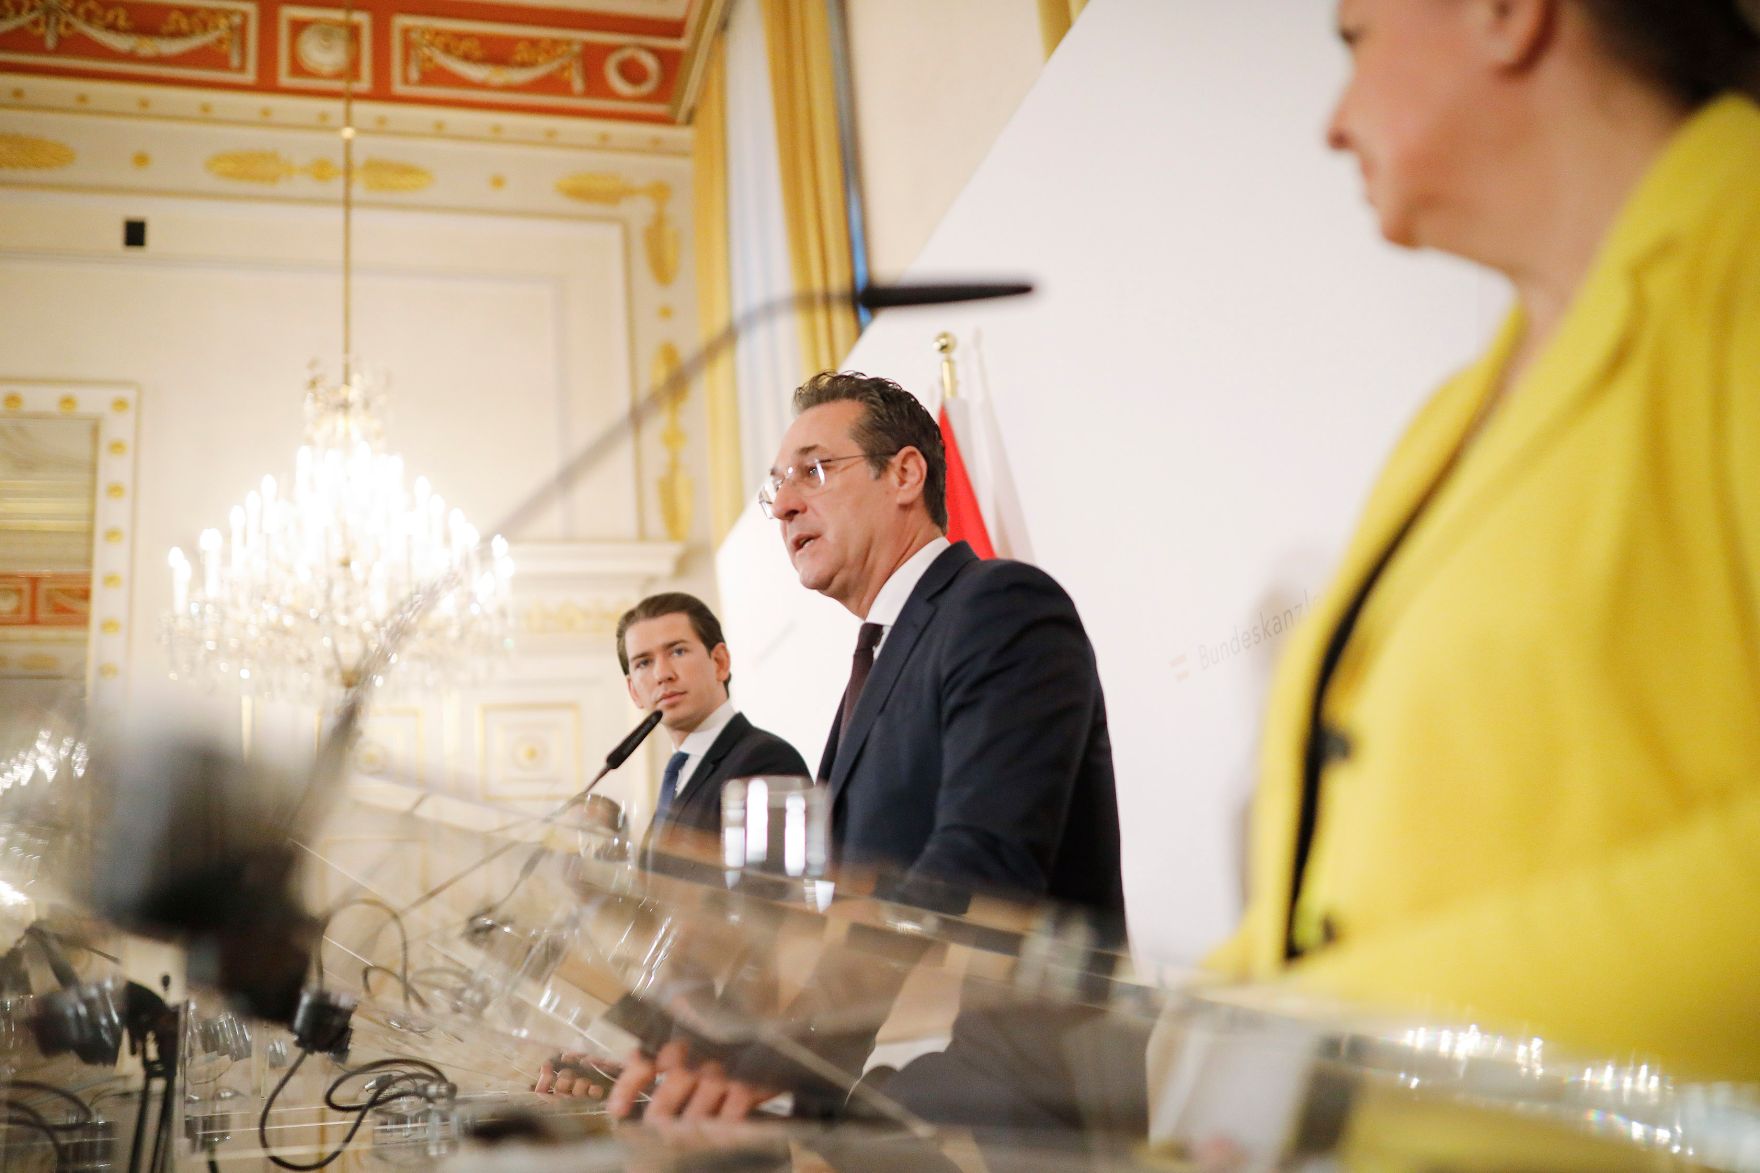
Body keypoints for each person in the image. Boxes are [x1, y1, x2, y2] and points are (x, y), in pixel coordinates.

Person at [1210, 0, 1760, 1083]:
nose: (1333, 121)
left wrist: (1331, 1051)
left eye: (1354, 42)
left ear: (1507, 15)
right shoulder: (1451, 414)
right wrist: (1177, 1038)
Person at [594, 371, 1127, 1123]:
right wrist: (694, 1052)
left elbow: (975, 873)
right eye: (776, 485)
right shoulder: (873, 667)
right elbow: (824, 922)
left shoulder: (999, 607)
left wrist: (772, 1062)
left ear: (905, 473)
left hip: (1022, 1099)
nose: (782, 505)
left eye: (814, 469)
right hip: (913, 1090)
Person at [612, 592, 808, 852]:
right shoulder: (677, 775)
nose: (662, 674)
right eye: (644, 663)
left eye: (678, 651)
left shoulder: (766, 759)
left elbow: (772, 889)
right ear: (633, 691)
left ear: (720, 662)